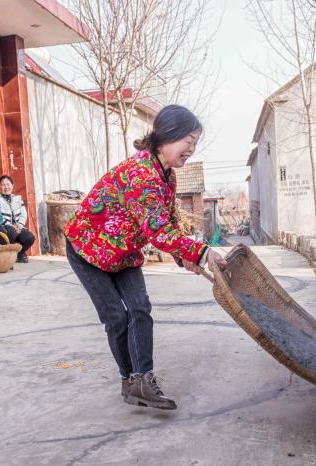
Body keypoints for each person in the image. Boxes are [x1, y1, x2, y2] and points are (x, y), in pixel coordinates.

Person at [64, 104, 227, 410]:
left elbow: (169, 223)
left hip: (121, 251)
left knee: (140, 308)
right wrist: (203, 252)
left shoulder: (167, 175)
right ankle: (129, 381)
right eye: (188, 141)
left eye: (195, 143)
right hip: (88, 248)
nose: (191, 149)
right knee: (116, 317)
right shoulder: (141, 173)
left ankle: (144, 379)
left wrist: (184, 257)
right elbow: (157, 230)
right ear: (168, 135)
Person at [0, 175, 35, 263]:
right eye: (3, 185)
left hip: (18, 226)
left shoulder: (18, 198)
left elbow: (23, 214)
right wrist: (11, 225)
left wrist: (20, 225)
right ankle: (7, 255)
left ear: (12, 186)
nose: (6, 187)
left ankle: (20, 253)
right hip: (4, 226)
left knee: (29, 237)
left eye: (8, 184)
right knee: (11, 232)